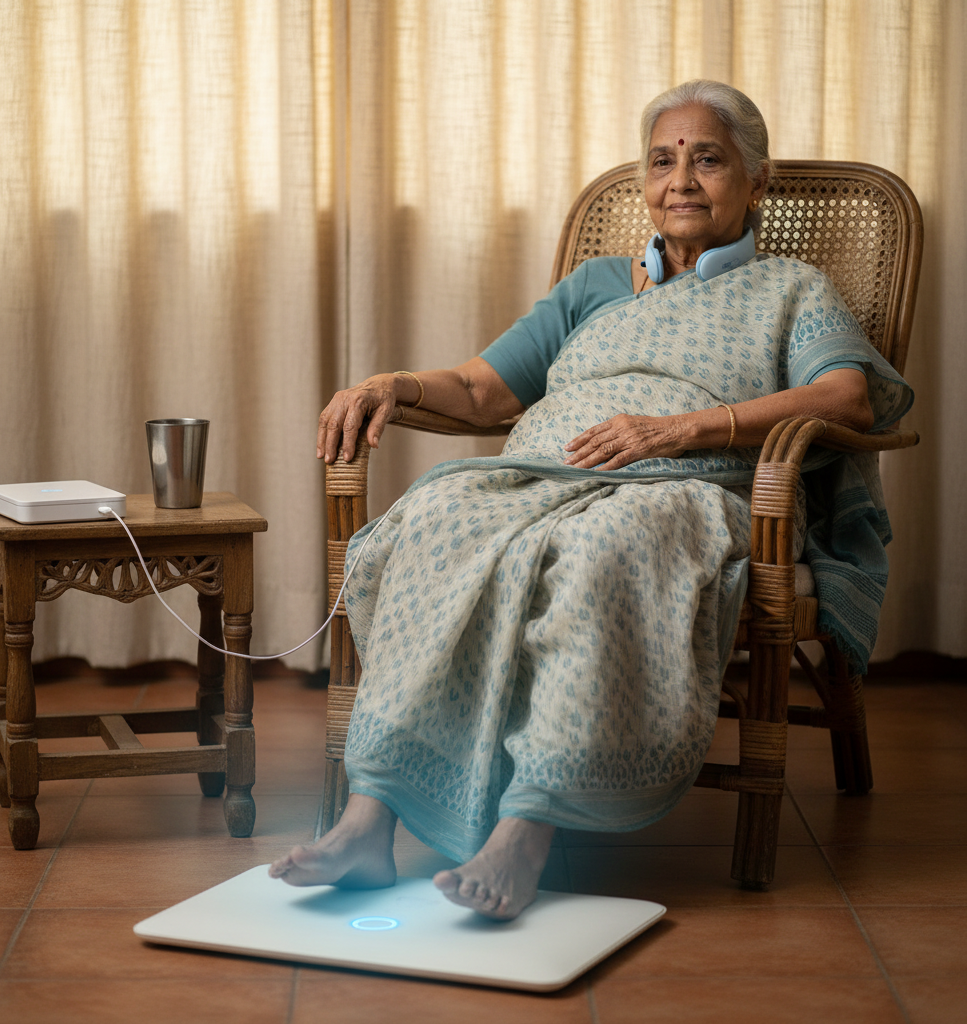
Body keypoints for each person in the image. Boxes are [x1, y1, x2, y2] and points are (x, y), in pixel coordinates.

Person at [269, 80, 912, 920]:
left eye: (707, 158)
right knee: (431, 520)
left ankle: (526, 827)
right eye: (661, 159)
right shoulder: (596, 284)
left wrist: (681, 430)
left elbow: (845, 400)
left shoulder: (792, 289)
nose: (680, 178)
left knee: (604, 551)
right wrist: (390, 383)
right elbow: (480, 390)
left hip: (685, 489)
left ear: (756, 183)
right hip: (538, 477)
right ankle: (368, 821)